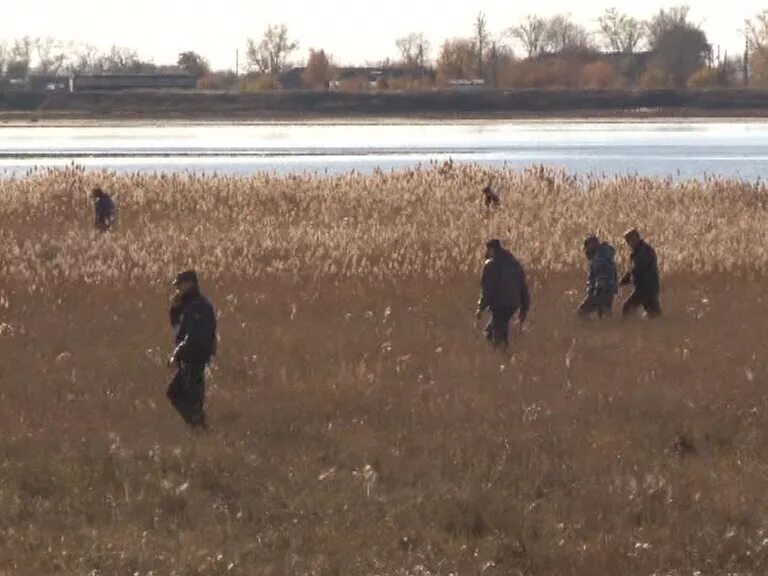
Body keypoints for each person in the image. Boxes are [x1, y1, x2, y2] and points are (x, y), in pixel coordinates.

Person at [167, 270, 217, 429]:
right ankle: (199, 427)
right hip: (189, 357)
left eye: (179, 285)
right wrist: (175, 308)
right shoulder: (189, 304)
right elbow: (177, 325)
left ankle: (200, 429)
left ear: (189, 284)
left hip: (194, 358)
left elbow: (193, 337)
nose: (177, 289)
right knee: (178, 393)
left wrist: (177, 355)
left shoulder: (198, 306)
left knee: (187, 396)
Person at [476, 239, 531, 349]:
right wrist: (524, 307)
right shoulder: (515, 264)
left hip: (499, 304)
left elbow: (487, 289)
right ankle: (502, 355)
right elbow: (523, 288)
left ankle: (503, 358)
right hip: (513, 304)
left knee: (497, 334)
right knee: (493, 331)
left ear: (492, 250)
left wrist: (480, 308)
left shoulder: (491, 265)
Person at [620, 228, 661, 318]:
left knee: (627, 309)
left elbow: (639, 268)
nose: (629, 243)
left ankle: (626, 328)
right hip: (646, 287)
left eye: (630, 240)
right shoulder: (637, 252)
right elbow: (633, 269)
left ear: (636, 238)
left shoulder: (643, 251)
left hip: (646, 287)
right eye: (628, 241)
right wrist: (624, 280)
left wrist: (629, 278)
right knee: (653, 313)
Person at [577, 235, 618, 318]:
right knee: (605, 317)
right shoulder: (604, 255)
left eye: (587, 247)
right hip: (608, 292)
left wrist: (596, 291)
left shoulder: (599, 258)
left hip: (601, 292)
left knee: (581, 313)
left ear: (592, 245)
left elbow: (601, 277)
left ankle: (590, 330)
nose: (586, 251)